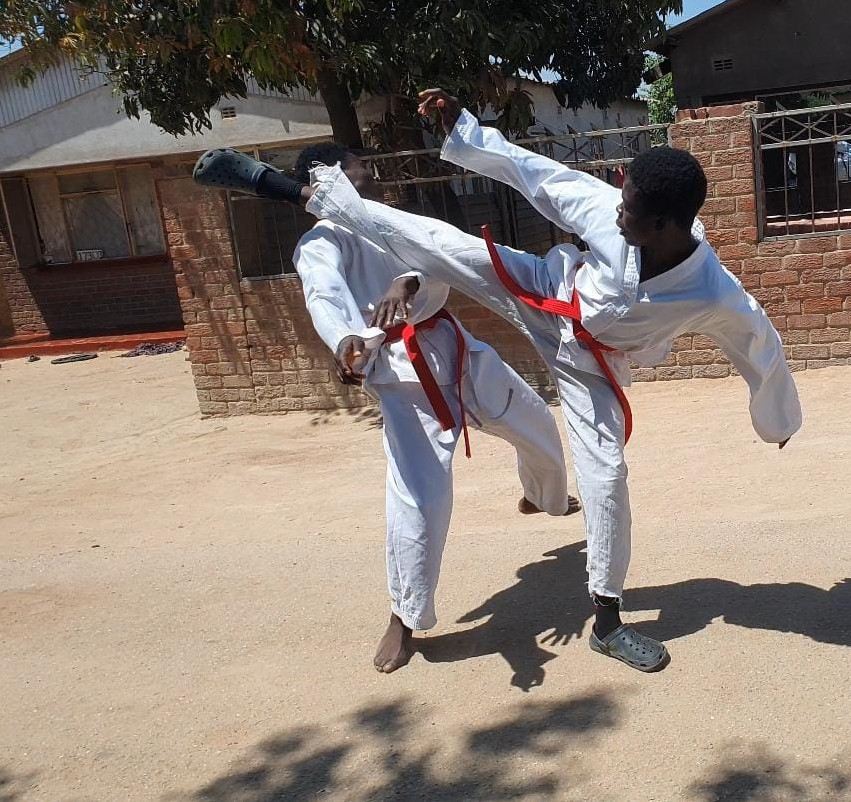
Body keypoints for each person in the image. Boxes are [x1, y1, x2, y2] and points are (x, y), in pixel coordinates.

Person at [193, 90, 802, 672]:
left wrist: (776, 420)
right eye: (620, 195)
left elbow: (761, 348)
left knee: (607, 478)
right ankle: (294, 190)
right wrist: (466, 129)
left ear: (667, 224)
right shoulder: (609, 209)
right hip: (541, 289)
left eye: (631, 208)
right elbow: (531, 172)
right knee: (434, 241)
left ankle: (609, 621)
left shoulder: (717, 293)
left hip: (591, 365)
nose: (616, 209)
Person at [194, 142, 579, 674]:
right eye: (358, 166)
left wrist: (411, 280)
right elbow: (324, 296)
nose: (370, 171)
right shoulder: (320, 241)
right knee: (420, 499)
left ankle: (545, 496)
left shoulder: (392, 220)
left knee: (534, 420)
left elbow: (439, 260)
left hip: (455, 345)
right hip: (401, 375)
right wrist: (347, 339)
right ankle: (404, 616)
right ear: (326, 178)